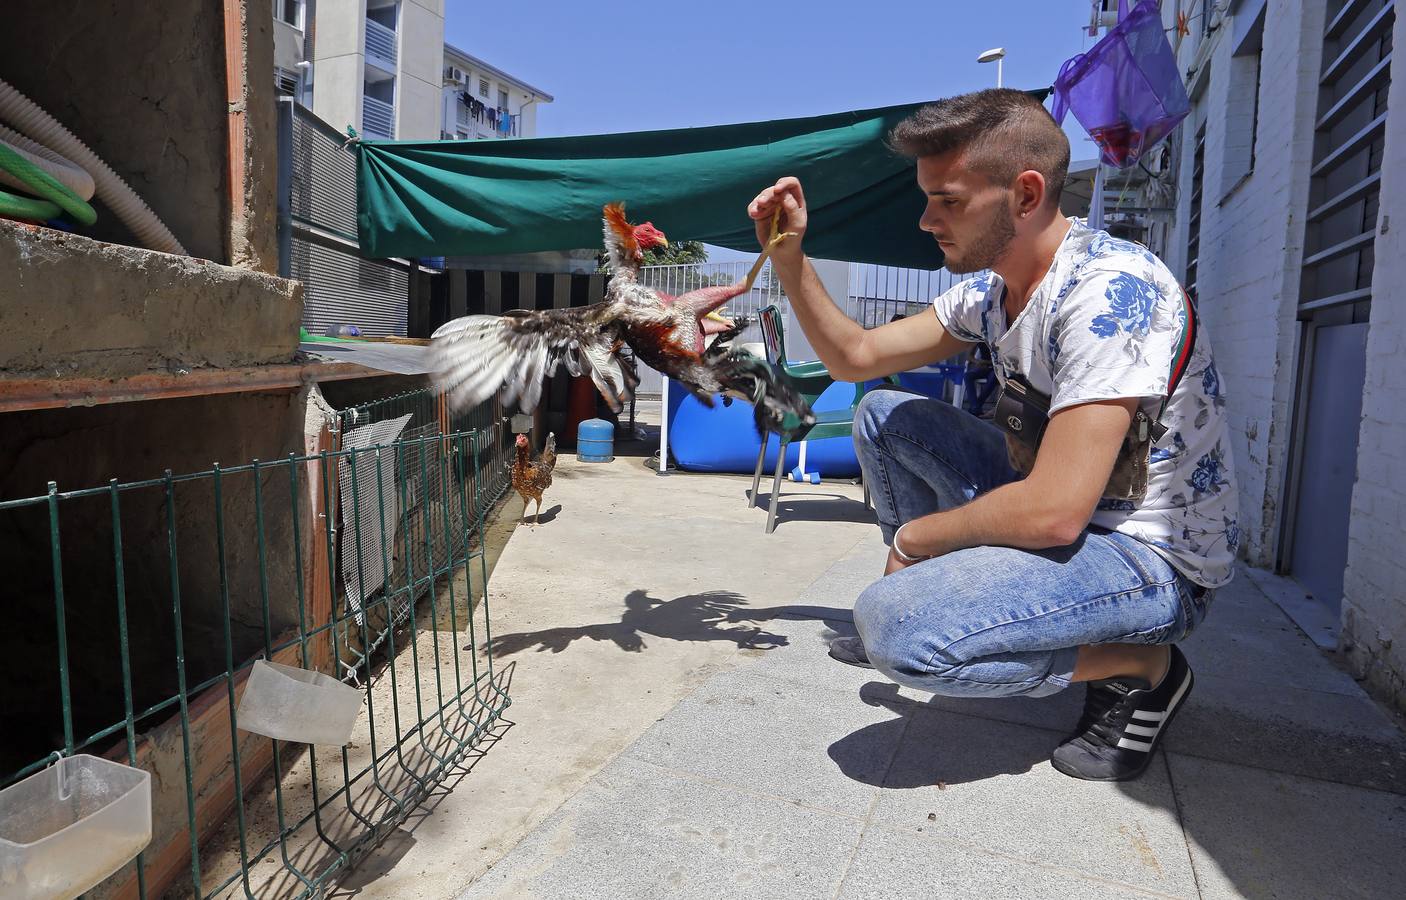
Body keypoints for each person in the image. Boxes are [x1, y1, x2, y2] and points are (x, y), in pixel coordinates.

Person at [746, 89, 1238, 782]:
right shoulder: (991, 292)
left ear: (1026, 193)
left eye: (947, 200)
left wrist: (919, 543)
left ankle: (1144, 662)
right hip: (1073, 516)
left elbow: (1053, 512)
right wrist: (791, 257)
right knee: (884, 417)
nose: (925, 220)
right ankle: (952, 602)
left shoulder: (1109, 292)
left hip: (1150, 558)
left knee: (898, 633)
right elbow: (854, 357)